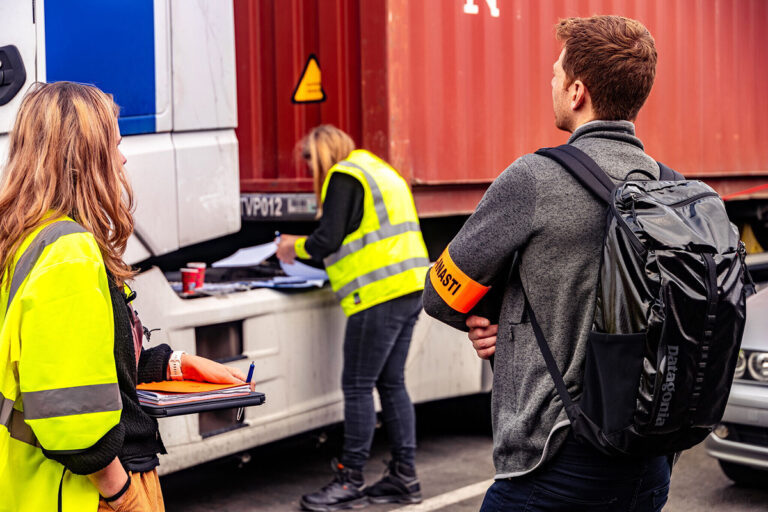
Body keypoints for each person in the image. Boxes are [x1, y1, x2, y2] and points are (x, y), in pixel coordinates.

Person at [423, 15, 671, 511]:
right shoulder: (668, 186)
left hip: (553, 462)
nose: (551, 81)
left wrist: (492, 318)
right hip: (650, 465)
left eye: (556, 73)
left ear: (578, 91)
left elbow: (442, 294)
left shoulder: (535, 179)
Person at [0, 82, 247, 512]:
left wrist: (175, 363)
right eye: (114, 143)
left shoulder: (25, 241)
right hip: (87, 493)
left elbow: (79, 363)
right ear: (86, 156)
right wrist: (122, 495)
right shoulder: (69, 253)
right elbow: (71, 411)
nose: (123, 156)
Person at [276, 125, 429, 511]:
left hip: (378, 295)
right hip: (410, 288)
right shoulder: (380, 171)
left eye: (310, 159)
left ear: (323, 153)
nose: (310, 168)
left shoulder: (344, 175)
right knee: (391, 383)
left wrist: (293, 247)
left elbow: (327, 240)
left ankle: (350, 480)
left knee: (358, 385)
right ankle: (403, 477)